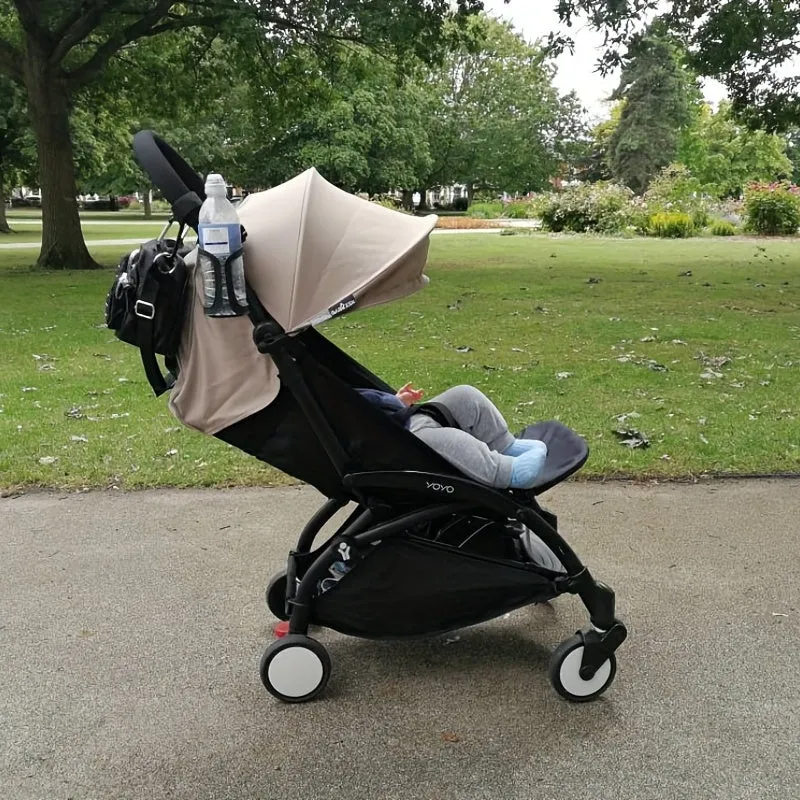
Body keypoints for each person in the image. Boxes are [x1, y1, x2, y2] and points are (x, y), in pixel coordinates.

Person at [357, 383, 548, 490]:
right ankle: (510, 472)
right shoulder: (329, 395)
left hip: (404, 418)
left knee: (465, 396)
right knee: (447, 443)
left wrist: (395, 400)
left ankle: (504, 445)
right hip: (399, 441)